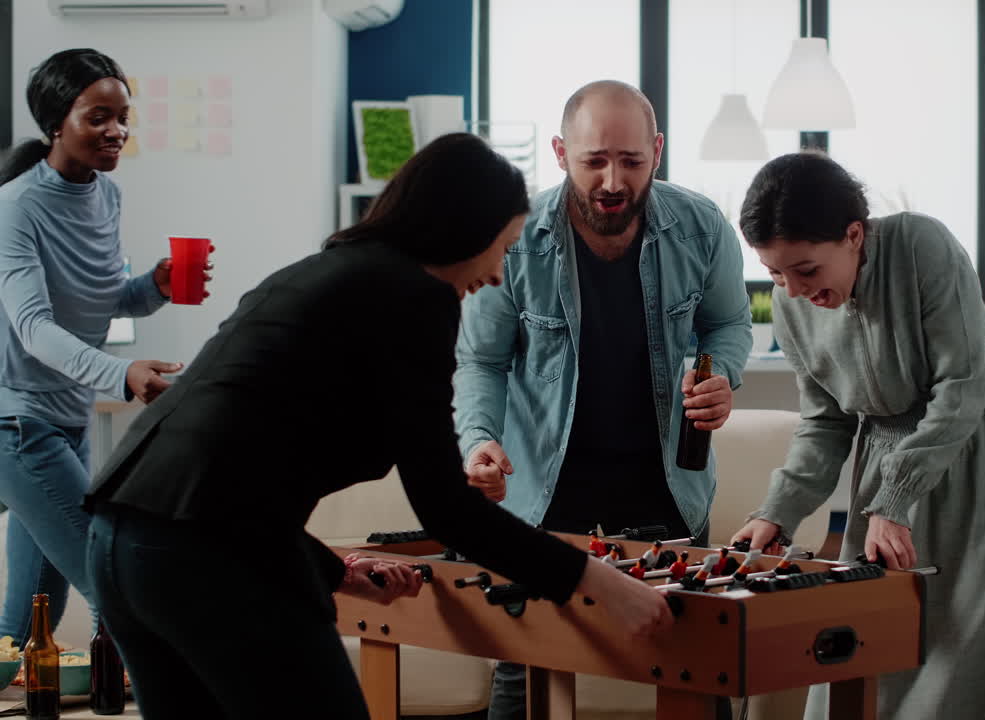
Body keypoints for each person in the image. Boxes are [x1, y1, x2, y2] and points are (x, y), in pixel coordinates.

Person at [82, 133, 673, 720]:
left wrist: (337, 572)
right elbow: (448, 508)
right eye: (504, 246)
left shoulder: (325, 272)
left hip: (121, 541)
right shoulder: (414, 298)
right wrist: (598, 583)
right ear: (467, 227)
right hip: (205, 557)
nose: (497, 275)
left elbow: (233, 465)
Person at [453, 80, 751, 720]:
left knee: (700, 665)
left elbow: (729, 325)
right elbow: (481, 359)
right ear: (561, 152)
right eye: (594, 161)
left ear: (658, 152)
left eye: (631, 161)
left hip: (671, 485)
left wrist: (723, 374)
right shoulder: (514, 238)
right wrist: (478, 440)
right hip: (544, 492)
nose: (612, 180)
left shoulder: (702, 227)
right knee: (524, 665)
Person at [729, 152, 985, 719]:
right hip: (884, 484)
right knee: (865, 659)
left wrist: (895, 497)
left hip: (983, 465)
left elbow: (961, 385)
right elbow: (826, 421)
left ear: (854, 234)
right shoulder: (793, 307)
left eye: (806, 270)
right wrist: (777, 511)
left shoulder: (922, 248)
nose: (790, 291)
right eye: (775, 273)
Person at [0, 48, 200, 648]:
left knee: (28, 617)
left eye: (122, 117)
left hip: (67, 416)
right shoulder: (15, 208)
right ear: (55, 122)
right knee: (115, 580)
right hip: (17, 421)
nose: (116, 131)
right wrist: (122, 375)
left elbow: (102, 297)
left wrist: (155, 288)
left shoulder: (106, 196)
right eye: (97, 117)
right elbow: (35, 327)